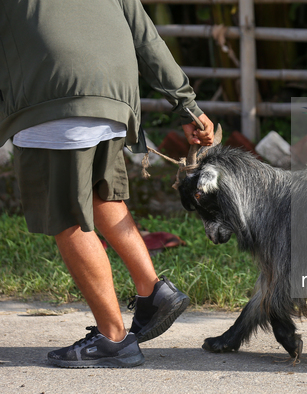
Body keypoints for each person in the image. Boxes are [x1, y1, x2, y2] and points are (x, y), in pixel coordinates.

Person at [0, 0, 214, 368]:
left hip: (56, 95)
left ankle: (113, 338)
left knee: (65, 216)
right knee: (102, 197)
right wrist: (187, 105)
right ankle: (153, 291)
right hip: (115, 97)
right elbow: (147, 39)